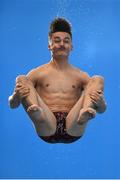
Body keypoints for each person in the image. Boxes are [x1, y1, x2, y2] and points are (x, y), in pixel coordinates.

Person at [9, 17, 107, 143]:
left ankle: (83, 116)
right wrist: (16, 96)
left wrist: (101, 103)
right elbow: (13, 105)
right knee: (22, 79)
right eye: (57, 41)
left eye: (66, 41)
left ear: (71, 46)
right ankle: (39, 116)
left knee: (97, 79)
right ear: (49, 45)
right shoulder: (37, 73)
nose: (62, 44)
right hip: (46, 124)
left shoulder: (81, 76)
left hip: (74, 124)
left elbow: (101, 110)